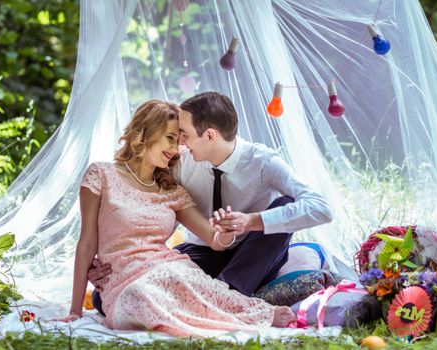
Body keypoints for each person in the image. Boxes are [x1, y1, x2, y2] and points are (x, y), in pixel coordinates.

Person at [60, 100, 295, 337]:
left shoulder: (171, 189)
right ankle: (226, 312)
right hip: (123, 280)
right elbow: (87, 243)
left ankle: (252, 312)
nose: (176, 148)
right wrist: (75, 309)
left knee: (180, 279)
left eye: (179, 140)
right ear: (147, 132)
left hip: (166, 268)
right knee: (139, 295)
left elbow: (214, 239)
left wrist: (226, 232)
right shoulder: (101, 175)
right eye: (170, 138)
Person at [89, 91, 333, 311]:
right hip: (204, 250)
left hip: (255, 255)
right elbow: (156, 216)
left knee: (285, 204)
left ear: (209, 135)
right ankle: (219, 294)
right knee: (106, 297)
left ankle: (228, 297)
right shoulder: (182, 164)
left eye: (184, 134)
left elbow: (321, 208)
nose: (180, 143)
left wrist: (251, 221)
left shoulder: (263, 162)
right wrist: (117, 263)